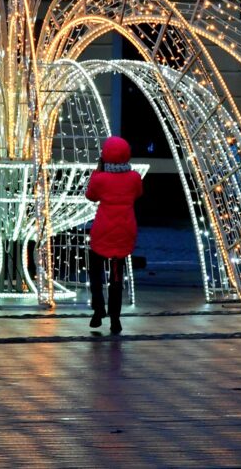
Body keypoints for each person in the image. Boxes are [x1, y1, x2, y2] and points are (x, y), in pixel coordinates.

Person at [85, 136, 143, 334]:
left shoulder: (100, 179)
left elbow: (91, 196)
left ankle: (98, 308)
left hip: (102, 231)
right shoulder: (134, 177)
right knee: (117, 276)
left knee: (95, 271)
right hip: (125, 230)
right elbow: (138, 194)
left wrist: (97, 171)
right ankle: (115, 318)